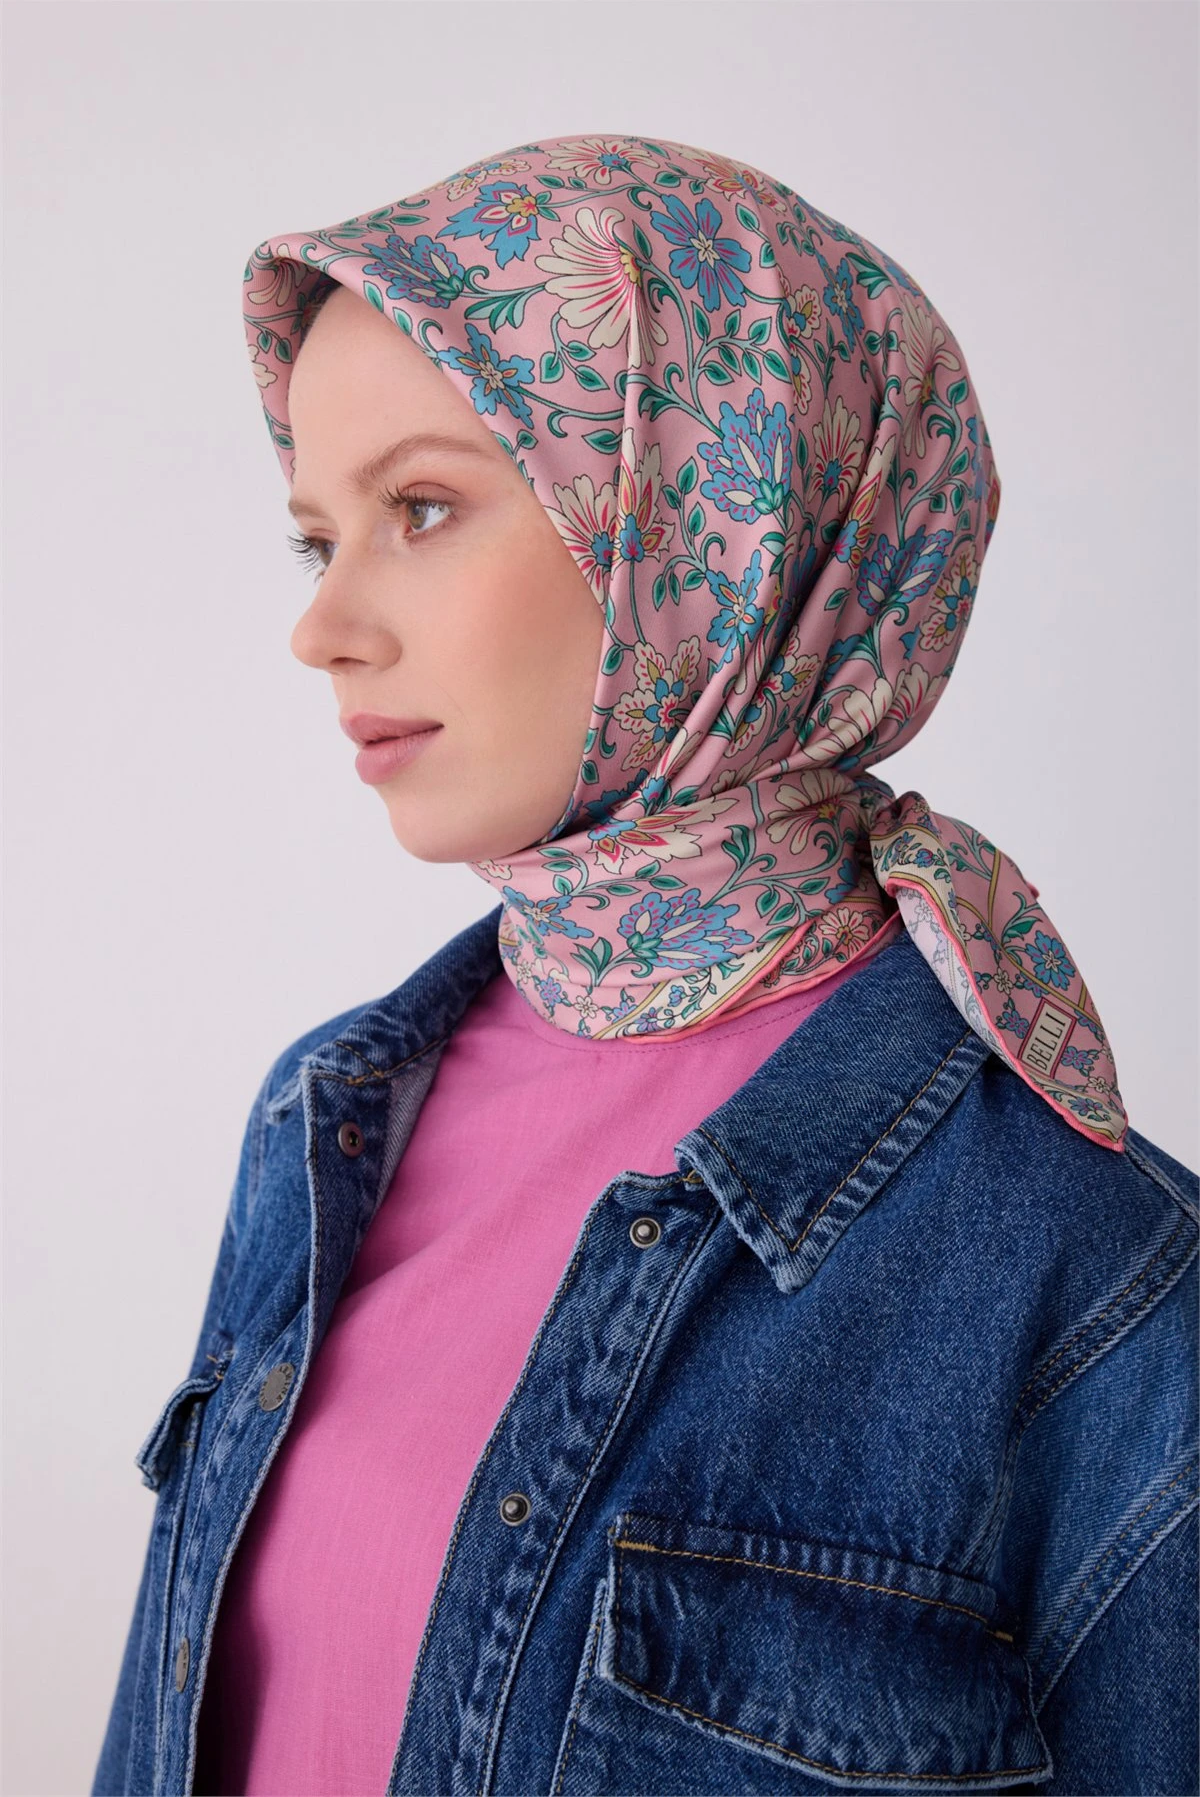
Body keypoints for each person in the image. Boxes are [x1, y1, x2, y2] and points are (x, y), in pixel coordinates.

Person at [94, 133, 1197, 1797]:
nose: (323, 628)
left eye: (422, 508)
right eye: (321, 538)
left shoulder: (1093, 1277)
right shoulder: (324, 1119)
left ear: (720, 526)